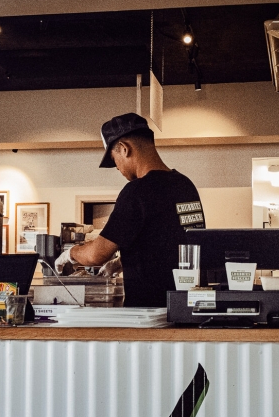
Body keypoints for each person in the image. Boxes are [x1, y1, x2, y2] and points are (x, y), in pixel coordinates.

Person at [54, 113, 205, 307]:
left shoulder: (137, 191)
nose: (117, 168)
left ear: (124, 149)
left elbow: (96, 255)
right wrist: (122, 262)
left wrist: (70, 253)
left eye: (114, 159)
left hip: (150, 312)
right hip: (188, 306)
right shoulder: (185, 185)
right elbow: (169, 245)